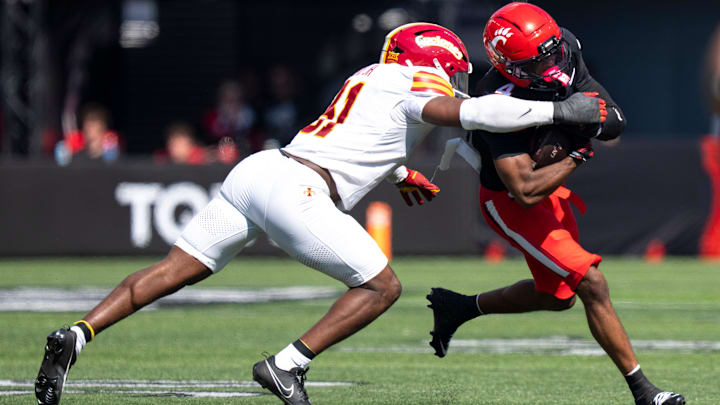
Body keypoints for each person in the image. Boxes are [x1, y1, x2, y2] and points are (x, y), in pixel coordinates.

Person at [35, 22, 605, 405]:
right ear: (433, 61)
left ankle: (78, 333)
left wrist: (399, 171)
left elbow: (362, 137)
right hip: (301, 189)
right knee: (382, 286)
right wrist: (563, 107)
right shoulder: (412, 83)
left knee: (170, 270)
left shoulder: (367, 78)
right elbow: (479, 115)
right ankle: (287, 364)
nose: (457, 81)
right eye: (453, 71)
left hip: (262, 170)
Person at [425, 4, 685, 405]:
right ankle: (645, 393)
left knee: (557, 297)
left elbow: (613, 117)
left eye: (552, 52)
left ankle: (458, 307)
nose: (553, 64)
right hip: (510, 203)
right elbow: (524, 189)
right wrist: (577, 150)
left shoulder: (562, 44)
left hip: (551, 190)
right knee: (592, 282)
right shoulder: (495, 101)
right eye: (539, 60)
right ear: (510, 66)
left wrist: (583, 125)